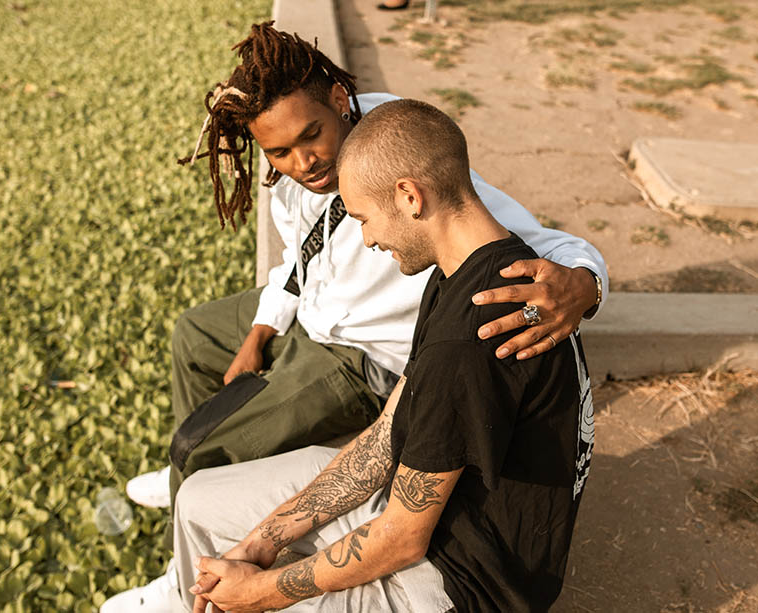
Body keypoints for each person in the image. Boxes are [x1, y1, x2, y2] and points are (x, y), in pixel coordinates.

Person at [102, 22, 605, 611]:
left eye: (363, 218)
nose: (365, 238)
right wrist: (266, 539)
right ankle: (192, 553)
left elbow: (400, 537)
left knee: (204, 451)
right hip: (344, 354)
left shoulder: (469, 325)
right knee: (201, 491)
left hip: (457, 583)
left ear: (409, 197)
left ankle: (193, 557)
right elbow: (382, 441)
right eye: (279, 152)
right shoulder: (449, 276)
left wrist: (260, 592)